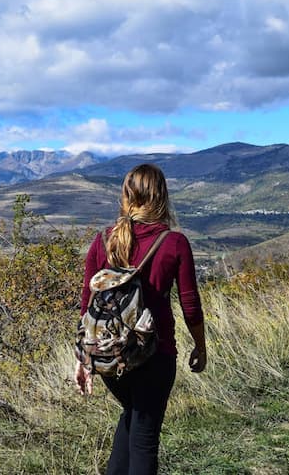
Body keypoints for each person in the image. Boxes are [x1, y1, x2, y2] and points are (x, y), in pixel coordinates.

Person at [75, 163, 206, 475]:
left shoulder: (103, 240)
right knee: (144, 439)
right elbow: (190, 305)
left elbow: (87, 304)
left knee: (132, 418)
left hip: (110, 355)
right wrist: (200, 346)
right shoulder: (173, 242)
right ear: (161, 196)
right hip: (154, 354)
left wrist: (82, 358)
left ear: (126, 195)